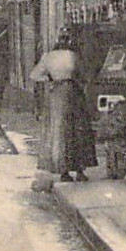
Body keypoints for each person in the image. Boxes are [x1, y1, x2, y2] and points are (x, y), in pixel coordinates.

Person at [29, 31, 96, 180]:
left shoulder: (48, 57)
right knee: (78, 131)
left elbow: (33, 75)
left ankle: (63, 171)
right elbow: (84, 75)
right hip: (73, 93)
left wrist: (50, 78)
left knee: (60, 132)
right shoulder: (73, 55)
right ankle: (80, 171)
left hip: (56, 95)